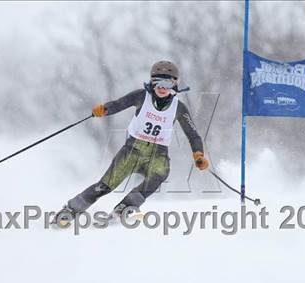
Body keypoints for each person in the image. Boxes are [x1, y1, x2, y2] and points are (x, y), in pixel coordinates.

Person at [54, 60, 209, 227]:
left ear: (174, 84)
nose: (162, 87)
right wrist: (105, 109)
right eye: (157, 82)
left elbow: (193, 135)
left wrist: (198, 154)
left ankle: (124, 208)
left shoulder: (179, 108)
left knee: (161, 173)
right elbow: (119, 104)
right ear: (151, 81)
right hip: (133, 150)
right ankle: (71, 210)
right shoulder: (142, 96)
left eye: (167, 82)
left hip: (158, 154)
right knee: (105, 186)